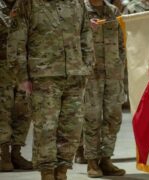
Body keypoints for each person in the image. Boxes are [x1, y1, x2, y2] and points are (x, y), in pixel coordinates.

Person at [7, 0, 94, 179]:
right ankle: (47, 174)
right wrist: (21, 76)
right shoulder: (27, 4)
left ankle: (61, 173)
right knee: (46, 130)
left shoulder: (77, 3)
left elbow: (86, 33)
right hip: (43, 77)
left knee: (72, 128)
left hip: (74, 75)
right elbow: (16, 41)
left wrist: (87, 66)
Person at [82, 0, 126, 177]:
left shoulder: (113, 11)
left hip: (113, 75)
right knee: (91, 117)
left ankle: (106, 159)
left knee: (113, 117)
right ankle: (92, 161)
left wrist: (119, 65)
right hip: (91, 74)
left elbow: (121, 42)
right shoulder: (81, 10)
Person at [0, 0, 32, 172]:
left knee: (24, 111)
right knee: (3, 112)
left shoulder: (28, 5)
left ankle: (16, 154)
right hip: (2, 67)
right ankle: (4, 155)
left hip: (25, 67)